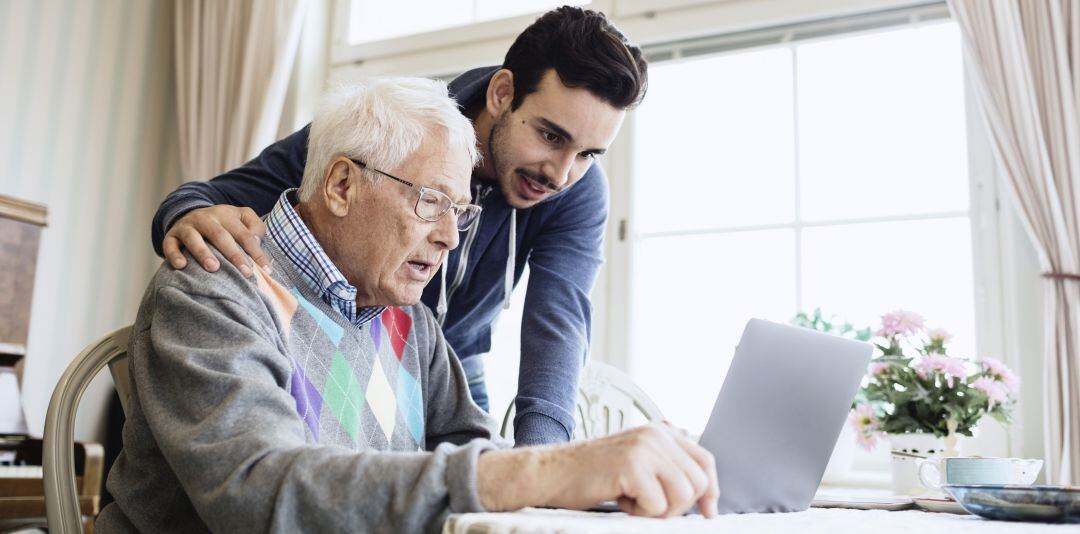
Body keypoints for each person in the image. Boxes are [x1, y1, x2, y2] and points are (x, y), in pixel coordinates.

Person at [99, 78, 717, 533]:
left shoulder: (409, 320)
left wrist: (592, 484)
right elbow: (260, 495)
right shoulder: (213, 287)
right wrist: (545, 473)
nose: (451, 238)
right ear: (341, 185)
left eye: (461, 211)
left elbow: (477, 448)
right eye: (430, 202)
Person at [150, 6, 646, 446]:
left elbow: (559, 322)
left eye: (587, 154)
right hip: (346, 344)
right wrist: (188, 215)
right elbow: (213, 197)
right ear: (502, 93)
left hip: (449, 367)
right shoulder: (398, 132)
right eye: (550, 135)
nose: (560, 173)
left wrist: (542, 464)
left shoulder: (576, 190)